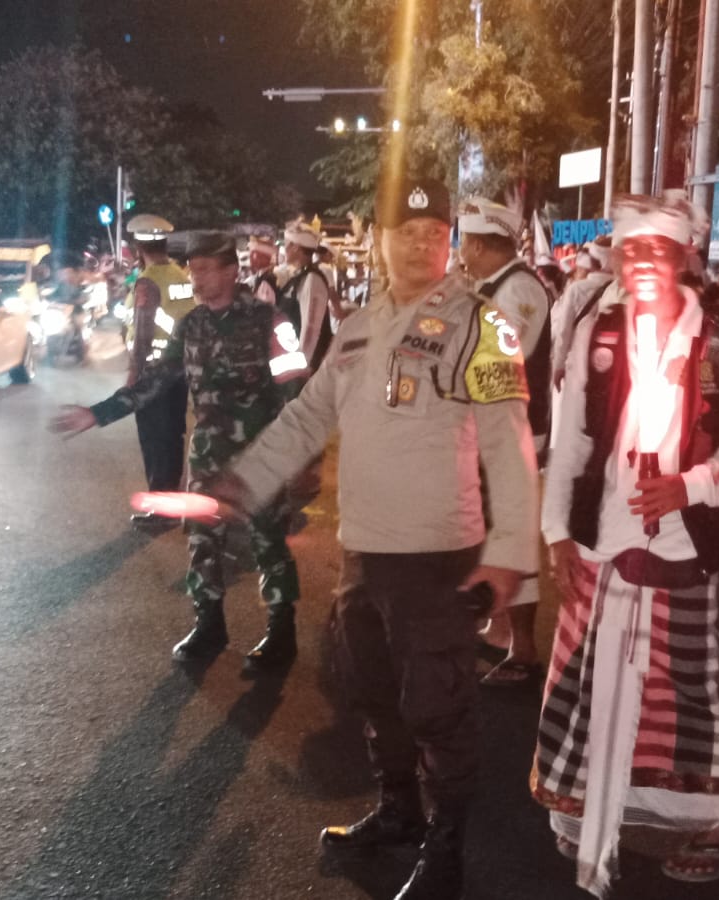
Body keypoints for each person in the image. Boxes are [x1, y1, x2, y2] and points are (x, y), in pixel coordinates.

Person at [210, 176, 538, 900]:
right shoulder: (358, 327)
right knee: (371, 691)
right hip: (364, 551)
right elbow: (306, 416)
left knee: (439, 710)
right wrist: (245, 480)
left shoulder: (484, 326)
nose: (421, 245)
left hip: (439, 558)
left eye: (435, 233)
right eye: (406, 233)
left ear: (450, 241)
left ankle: (446, 852)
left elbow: (509, 443)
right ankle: (398, 811)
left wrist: (511, 551)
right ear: (382, 241)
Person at [536, 194, 719, 893]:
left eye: (658, 249)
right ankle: (586, 806)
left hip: (684, 541)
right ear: (616, 254)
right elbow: (571, 437)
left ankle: (716, 825)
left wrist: (692, 487)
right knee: (582, 678)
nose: (642, 261)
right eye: (631, 248)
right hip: (600, 537)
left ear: (684, 256)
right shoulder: (599, 325)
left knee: (690, 685)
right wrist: (557, 531)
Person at [51, 231, 308, 669]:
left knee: (268, 542)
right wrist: (99, 413)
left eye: (206, 270)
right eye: (192, 271)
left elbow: (297, 386)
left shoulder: (269, 320)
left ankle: (281, 634)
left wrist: (292, 453)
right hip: (208, 454)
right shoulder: (191, 325)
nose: (197, 279)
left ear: (232, 271)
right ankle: (209, 626)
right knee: (202, 541)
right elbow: (155, 380)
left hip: (259, 455)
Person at [457, 196, 553, 686]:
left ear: (477, 244)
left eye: (463, 242)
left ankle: (524, 651)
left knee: (513, 538)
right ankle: (499, 630)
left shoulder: (519, 290)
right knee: (493, 533)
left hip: (515, 435)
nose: (459, 251)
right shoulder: (494, 286)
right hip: (489, 432)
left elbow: (498, 358)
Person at [124, 214, 195, 533]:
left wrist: (133, 376)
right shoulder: (180, 275)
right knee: (173, 437)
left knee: (155, 441)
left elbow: (142, 333)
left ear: (138, 247)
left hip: (153, 372)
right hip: (178, 369)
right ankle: (171, 505)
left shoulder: (148, 281)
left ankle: (161, 510)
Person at [551, 238, 615, 391]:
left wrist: (558, 365)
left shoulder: (577, 289)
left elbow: (564, 331)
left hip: (576, 364)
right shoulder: (617, 288)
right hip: (607, 364)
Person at [278, 223, 335, 372]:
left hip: (305, 366)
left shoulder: (312, 279)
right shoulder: (298, 277)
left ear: (295, 247)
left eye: (286, 244)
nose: (284, 249)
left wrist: (302, 365)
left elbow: (311, 328)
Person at [244, 236, 280, 306]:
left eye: (253, 254)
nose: (250, 258)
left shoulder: (270, 277)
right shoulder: (260, 277)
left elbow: (266, 303)